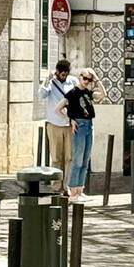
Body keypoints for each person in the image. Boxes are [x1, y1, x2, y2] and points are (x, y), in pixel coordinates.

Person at [38, 58, 78, 192]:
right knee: (56, 157)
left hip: (69, 124)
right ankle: (56, 186)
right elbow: (41, 95)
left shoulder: (73, 81)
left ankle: (67, 186)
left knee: (69, 157)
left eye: (66, 73)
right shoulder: (51, 83)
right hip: (54, 124)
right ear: (57, 72)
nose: (64, 76)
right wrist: (47, 79)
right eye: (62, 74)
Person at [62, 68, 101, 201]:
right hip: (80, 125)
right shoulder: (72, 93)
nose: (86, 81)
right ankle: (73, 191)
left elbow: (103, 95)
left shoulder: (88, 93)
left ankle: (80, 189)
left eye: (89, 80)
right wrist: (70, 120)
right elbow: (59, 108)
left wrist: (96, 79)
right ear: (80, 77)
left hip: (89, 125)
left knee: (85, 160)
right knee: (77, 160)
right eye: (84, 78)